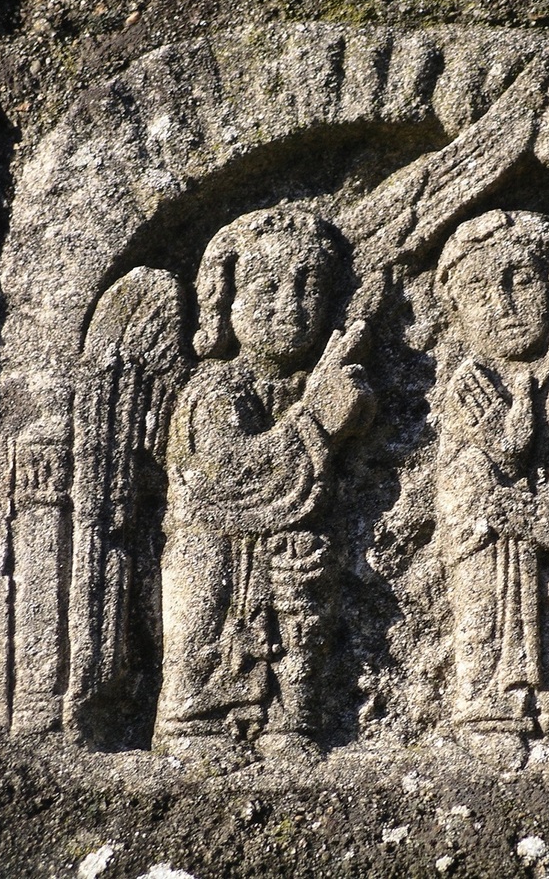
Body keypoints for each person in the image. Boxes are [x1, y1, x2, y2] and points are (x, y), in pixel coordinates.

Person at [154, 206, 373, 761]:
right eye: (266, 287)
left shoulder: (317, 381)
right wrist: (318, 420)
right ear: (227, 302)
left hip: (286, 553)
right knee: (205, 639)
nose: (289, 307)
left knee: (302, 618)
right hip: (219, 553)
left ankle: (289, 722)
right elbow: (231, 477)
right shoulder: (215, 388)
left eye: (308, 288)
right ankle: (194, 726)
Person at [434, 210, 549, 767]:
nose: (504, 303)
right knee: (481, 572)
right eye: (478, 288)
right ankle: (493, 706)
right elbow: (462, 505)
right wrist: (496, 451)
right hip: (491, 580)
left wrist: (516, 503)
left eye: (519, 279)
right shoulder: (468, 393)